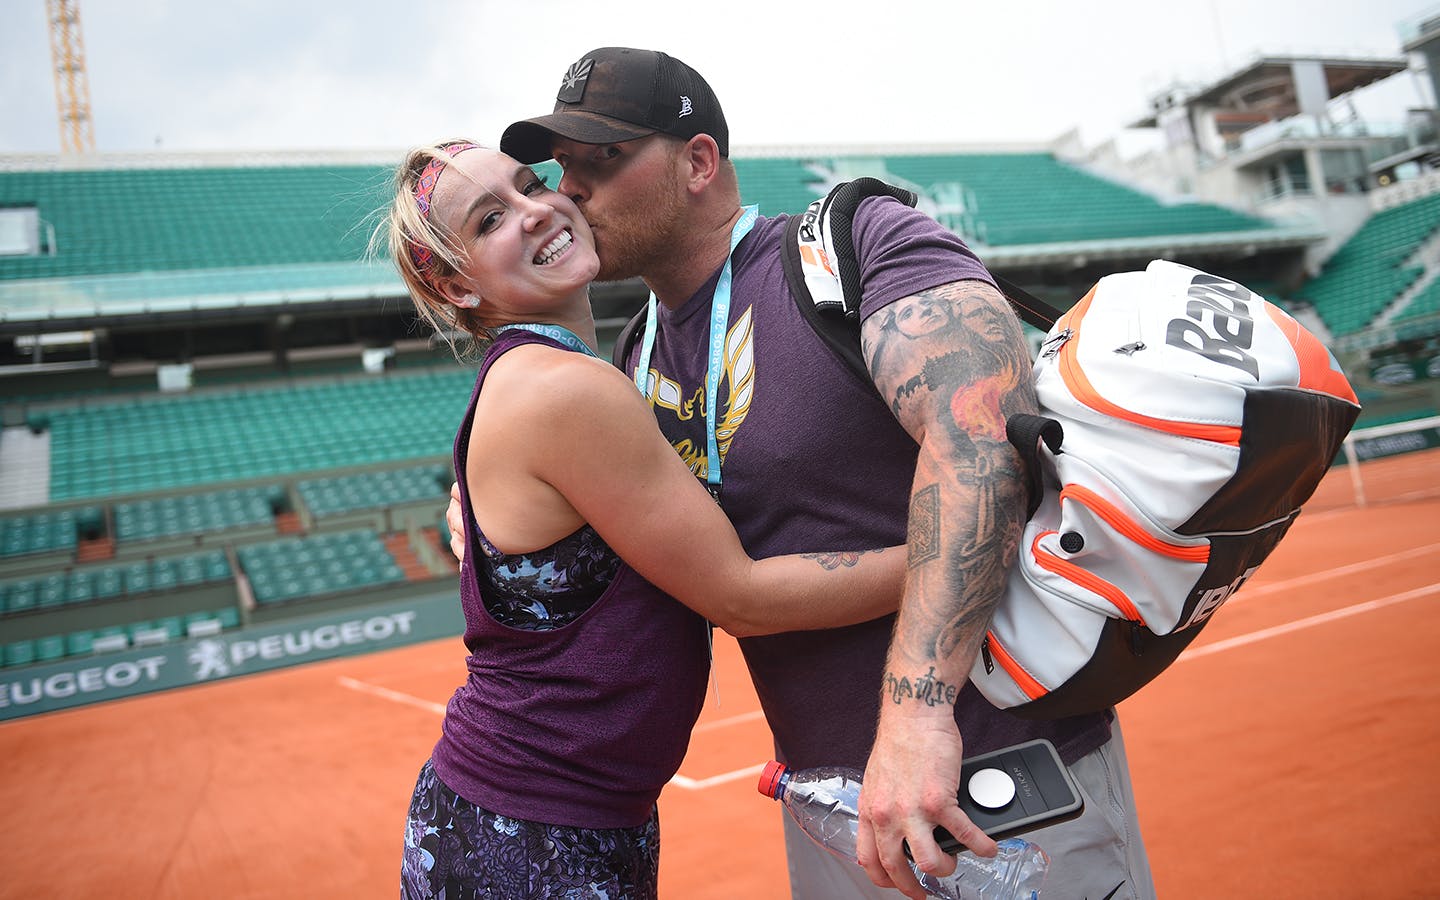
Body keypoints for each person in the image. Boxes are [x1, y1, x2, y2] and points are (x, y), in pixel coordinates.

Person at [457, 47, 1156, 899]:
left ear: (698, 163)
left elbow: (981, 440)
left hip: (994, 784)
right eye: (561, 168)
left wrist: (915, 711)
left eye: (600, 162)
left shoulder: (851, 246)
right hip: (831, 815)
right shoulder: (633, 362)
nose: (569, 191)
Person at [381, 140, 911, 899]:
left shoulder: (555, 376)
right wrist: (968, 549)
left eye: (532, 185)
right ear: (457, 284)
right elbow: (743, 597)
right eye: (492, 218)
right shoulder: (561, 389)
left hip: (554, 817)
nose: (538, 211)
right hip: (533, 829)